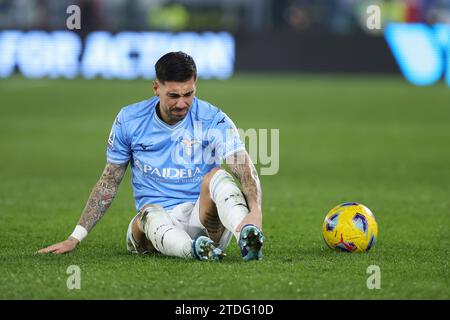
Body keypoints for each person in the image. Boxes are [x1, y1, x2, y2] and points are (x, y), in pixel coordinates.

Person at [38, 51, 264, 261]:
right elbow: (109, 181)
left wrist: (255, 211)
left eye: (189, 94)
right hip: (156, 224)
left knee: (219, 176)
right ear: (156, 87)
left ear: (195, 85)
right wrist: (74, 237)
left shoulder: (213, 118)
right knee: (148, 214)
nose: (182, 103)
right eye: (173, 95)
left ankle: (247, 235)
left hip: (204, 219)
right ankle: (193, 250)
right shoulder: (129, 120)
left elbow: (242, 164)